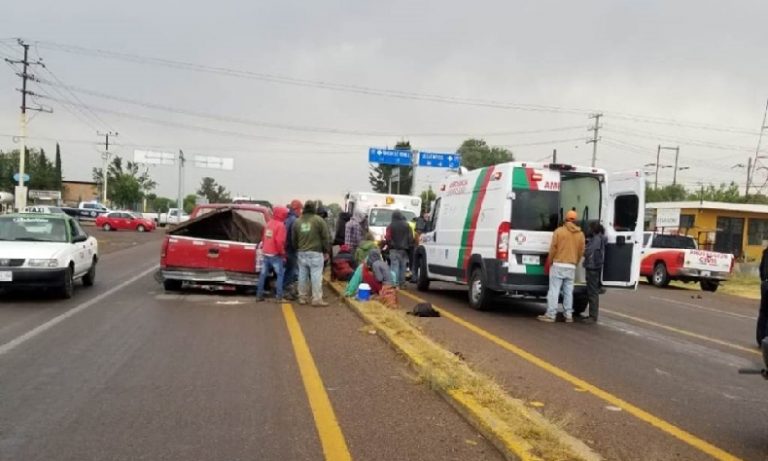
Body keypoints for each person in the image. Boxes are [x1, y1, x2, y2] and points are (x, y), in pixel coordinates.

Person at [538, 210, 585, 323]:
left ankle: (551, 315)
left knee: (554, 290)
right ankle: (568, 315)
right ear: (576, 220)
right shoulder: (581, 234)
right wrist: (575, 262)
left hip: (558, 265)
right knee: (568, 292)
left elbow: (553, 248)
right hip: (571, 266)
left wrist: (550, 261)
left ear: (565, 219)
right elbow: (581, 252)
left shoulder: (559, 232)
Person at [292, 200, 331, 306]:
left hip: (301, 253)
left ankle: (302, 297)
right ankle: (317, 299)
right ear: (314, 208)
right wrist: (326, 251)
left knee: (302, 275)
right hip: (316, 253)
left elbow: (293, 239)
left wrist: (297, 249)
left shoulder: (297, 221)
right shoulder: (319, 220)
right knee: (316, 276)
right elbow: (325, 237)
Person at [256, 206, 288, 302]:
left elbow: (263, 238)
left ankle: (259, 295)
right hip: (275, 254)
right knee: (280, 275)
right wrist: (282, 253)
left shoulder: (269, 223)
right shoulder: (281, 225)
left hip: (266, 252)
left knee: (263, 275)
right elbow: (279, 241)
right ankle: (279, 296)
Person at [582, 222, 606, 323]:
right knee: (593, 292)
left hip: (592, 267)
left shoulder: (596, 239)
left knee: (592, 292)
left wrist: (584, 250)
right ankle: (592, 315)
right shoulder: (601, 238)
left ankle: (593, 316)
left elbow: (588, 252)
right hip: (596, 267)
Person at [385, 210, 414, 288]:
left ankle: (395, 283)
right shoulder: (407, 225)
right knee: (403, 266)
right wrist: (409, 246)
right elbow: (411, 238)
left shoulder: (390, 226)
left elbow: (388, 237)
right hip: (404, 249)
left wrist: (390, 244)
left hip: (394, 249)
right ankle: (402, 283)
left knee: (394, 266)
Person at [283, 199, 302, 295]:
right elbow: (293, 236)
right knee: (291, 270)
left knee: (288, 270)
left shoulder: (287, 219)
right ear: (297, 209)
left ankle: (283, 288)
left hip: (286, 248)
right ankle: (284, 289)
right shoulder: (294, 220)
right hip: (290, 249)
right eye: (300, 209)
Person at [758, 241, 768, 346]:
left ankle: (760, 338)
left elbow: (761, 268)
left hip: (765, 284)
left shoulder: (765, 252)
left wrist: (763, 280)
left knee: (763, 312)